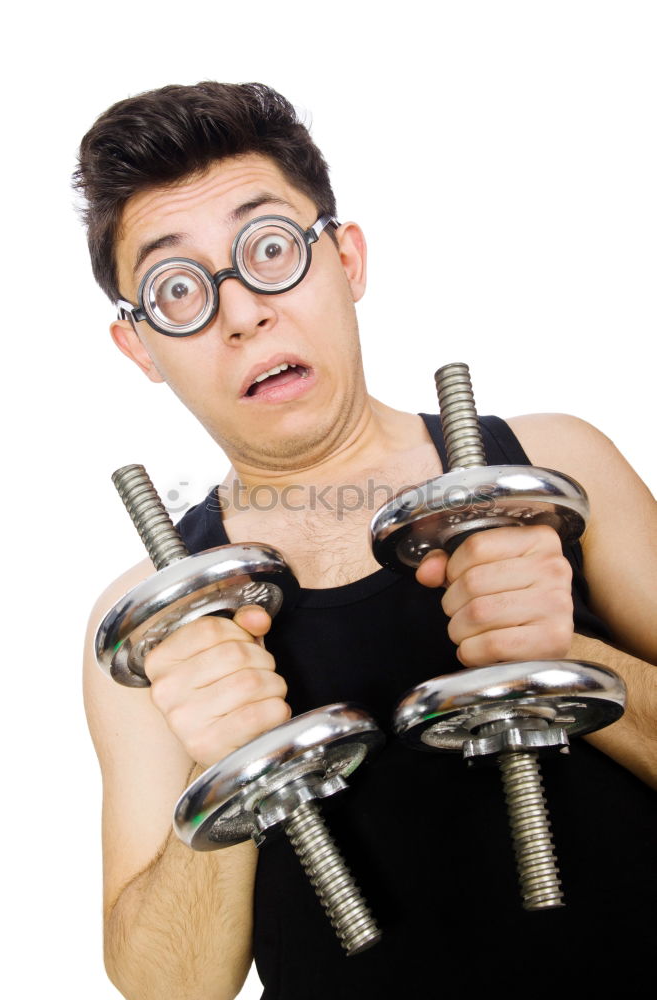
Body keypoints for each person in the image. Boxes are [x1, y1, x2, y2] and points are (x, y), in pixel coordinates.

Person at [78, 81, 656, 1000]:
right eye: (178, 288)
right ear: (140, 347)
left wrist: (577, 660)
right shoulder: (148, 629)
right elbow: (168, 987)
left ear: (344, 259)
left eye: (269, 249)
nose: (242, 313)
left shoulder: (555, 465)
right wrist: (219, 766)